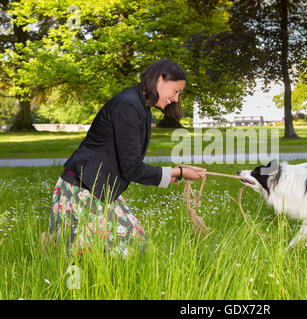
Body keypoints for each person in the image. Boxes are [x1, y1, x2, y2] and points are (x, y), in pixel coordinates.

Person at [46, 58, 203, 256]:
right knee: (126, 245)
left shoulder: (140, 105)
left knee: (133, 241)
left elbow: (129, 164)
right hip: (82, 187)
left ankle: (57, 239)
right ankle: (53, 241)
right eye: (176, 91)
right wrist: (178, 171)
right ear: (160, 80)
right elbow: (132, 168)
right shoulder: (128, 105)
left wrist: (176, 175)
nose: (177, 98)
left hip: (99, 187)